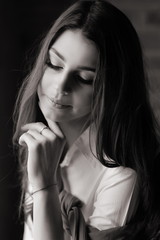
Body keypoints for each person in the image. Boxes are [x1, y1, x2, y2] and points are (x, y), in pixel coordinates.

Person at [13, 0, 160, 239]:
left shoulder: (120, 177)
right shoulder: (42, 144)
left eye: (83, 78)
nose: (60, 86)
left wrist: (46, 187)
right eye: (54, 64)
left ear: (112, 90)